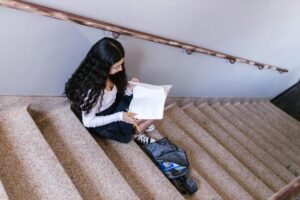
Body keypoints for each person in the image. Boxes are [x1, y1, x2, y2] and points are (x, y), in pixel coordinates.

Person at [64, 37, 156, 144]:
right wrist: (120, 116)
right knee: (152, 117)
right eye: (116, 66)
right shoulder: (91, 91)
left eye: (121, 64)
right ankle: (136, 133)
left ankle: (137, 126)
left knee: (151, 109)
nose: (121, 69)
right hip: (105, 121)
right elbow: (88, 122)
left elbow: (113, 96)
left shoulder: (105, 75)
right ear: (102, 66)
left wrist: (129, 90)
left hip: (114, 106)